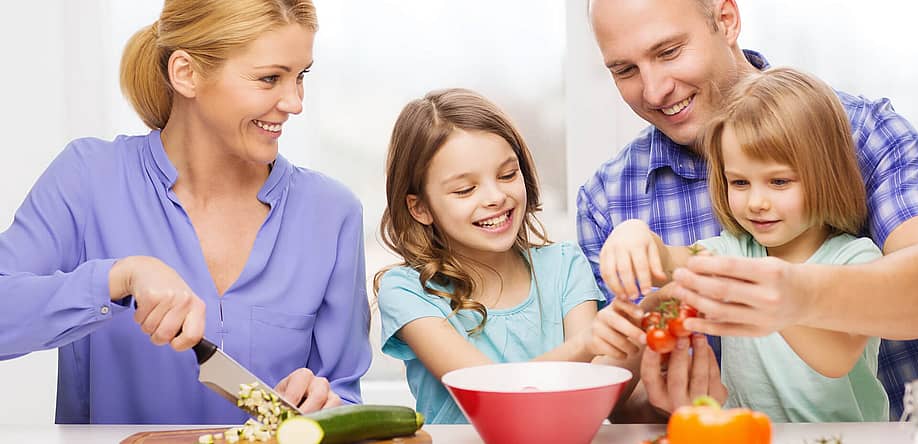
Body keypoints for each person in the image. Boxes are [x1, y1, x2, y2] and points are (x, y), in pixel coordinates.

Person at [581, 0, 918, 421]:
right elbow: (616, 394)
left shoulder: (864, 133)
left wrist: (795, 295)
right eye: (624, 70)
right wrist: (636, 237)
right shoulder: (607, 198)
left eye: (669, 52)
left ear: (726, 19)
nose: (653, 91)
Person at [0, 0, 371, 424]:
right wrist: (117, 277)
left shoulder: (332, 213)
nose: (295, 102)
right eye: (270, 78)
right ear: (186, 74)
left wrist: (327, 404)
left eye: (300, 76)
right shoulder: (88, 178)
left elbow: (344, 392)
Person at [594, 67, 889, 422]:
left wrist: (768, 290)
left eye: (779, 181)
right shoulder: (732, 252)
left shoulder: (856, 259)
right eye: (739, 182)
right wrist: (633, 233)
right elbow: (667, 261)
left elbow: (836, 357)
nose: (756, 203)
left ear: (827, 174)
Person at [375, 88, 605, 424]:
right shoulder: (407, 292)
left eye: (508, 175)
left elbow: (595, 394)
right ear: (420, 207)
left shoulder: (565, 266)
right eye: (465, 189)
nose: (496, 196)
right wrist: (589, 344)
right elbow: (492, 393)